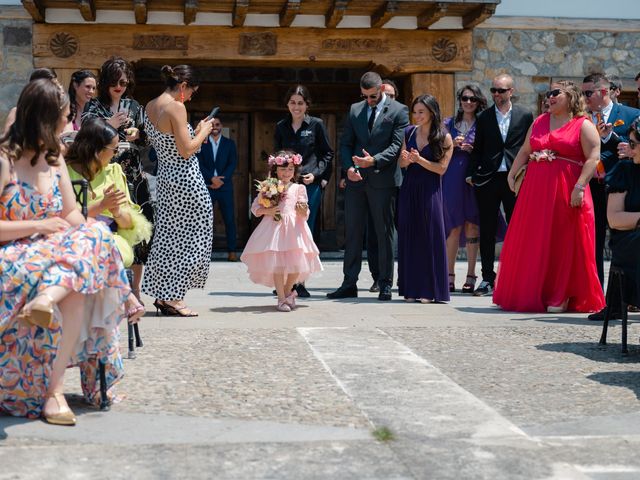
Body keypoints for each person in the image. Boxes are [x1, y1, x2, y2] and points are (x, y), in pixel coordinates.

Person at [0, 79, 138, 425]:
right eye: (63, 118)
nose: (67, 126)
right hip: (14, 250)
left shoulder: (55, 160)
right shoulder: (5, 160)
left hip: (56, 251)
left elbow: (72, 215)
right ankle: (52, 391)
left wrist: (93, 233)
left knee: (93, 233)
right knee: (77, 280)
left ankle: (53, 385)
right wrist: (38, 226)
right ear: (45, 119)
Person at [493, 81, 605, 313]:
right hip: (536, 191)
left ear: (571, 96)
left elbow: (594, 156)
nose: (550, 97)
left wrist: (580, 186)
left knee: (564, 240)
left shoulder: (582, 124)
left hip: (567, 188)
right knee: (535, 239)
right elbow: (525, 151)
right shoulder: (539, 121)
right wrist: (512, 175)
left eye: (556, 93)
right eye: (548, 93)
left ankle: (562, 294)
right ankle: (537, 291)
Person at [327, 71, 409, 301]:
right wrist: (349, 168)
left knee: (384, 233)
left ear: (381, 89)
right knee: (352, 232)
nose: (369, 100)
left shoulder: (399, 110)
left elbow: (395, 146)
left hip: (383, 181)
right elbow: (345, 144)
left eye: (372, 96)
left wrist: (374, 160)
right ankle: (349, 282)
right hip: (357, 181)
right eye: (365, 96)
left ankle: (385, 283)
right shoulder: (355, 110)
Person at [142, 64, 214, 317]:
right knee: (193, 234)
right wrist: (203, 131)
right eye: (192, 91)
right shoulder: (176, 106)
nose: (192, 96)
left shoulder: (149, 105)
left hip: (166, 178)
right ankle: (174, 297)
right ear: (183, 86)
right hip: (185, 178)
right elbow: (186, 149)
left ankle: (165, 294)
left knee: (169, 236)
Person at [83, 56, 154, 305]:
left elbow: (148, 139)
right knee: (108, 224)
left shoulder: (133, 105)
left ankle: (134, 291)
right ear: (106, 82)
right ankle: (107, 286)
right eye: (114, 81)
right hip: (103, 172)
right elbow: (85, 133)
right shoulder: (94, 106)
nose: (119, 86)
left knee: (137, 229)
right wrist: (108, 124)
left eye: (123, 81)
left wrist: (138, 134)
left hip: (132, 174)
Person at [66, 117, 152, 298]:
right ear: (96, 150)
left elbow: (130, 224)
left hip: (112, 237)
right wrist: (101, 205)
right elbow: (64, 217)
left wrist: (117, 212)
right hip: (72, 237)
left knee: (103, 251)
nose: (115, 154)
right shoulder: (64, 173)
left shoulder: (113, 171)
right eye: (113, 149)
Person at [467, 73, 533, 296]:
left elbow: (529, 146)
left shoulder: (525, 115)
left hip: (515, 178)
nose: (496, 94)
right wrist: (471, 175)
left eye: (501, 90)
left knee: (519, 227)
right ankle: (487, 278)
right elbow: (478, 148)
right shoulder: (484, 117)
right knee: (487, 229)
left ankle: (517, 275)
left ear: (511, 91)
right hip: (488, 178)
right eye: (494, 90)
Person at [580, 73, 640, 319]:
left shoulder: (628, 114)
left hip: (623, 185)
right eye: (582, 94)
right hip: (591, 188)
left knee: (621, 239)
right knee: (594, 242)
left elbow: (633, 144)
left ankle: (625, 300)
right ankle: (600, 299)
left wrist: (610, 138)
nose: (585, 99)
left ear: (604, 92)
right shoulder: (582, 118)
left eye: (588, 93)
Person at [241, 151, 322, 311]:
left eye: (290, 169)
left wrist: (302, 210)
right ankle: (281, 298)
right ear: (275, 170)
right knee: (277, 264)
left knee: (297, 264)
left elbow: (305, 211)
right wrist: (268, 211)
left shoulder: (299, 188)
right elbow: (255, 207)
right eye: (283, 169)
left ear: (295, 171)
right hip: (275, 227)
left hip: (295, 228)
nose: (286, 173)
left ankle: (287, 292)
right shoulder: (269, 186)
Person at [274, 85, 334, 298]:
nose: (296, 106)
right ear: (287, 104)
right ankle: (284, 281)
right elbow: (276, 157)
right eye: (292, 102)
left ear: (307, 105)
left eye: (300, 103)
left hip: (309, 186)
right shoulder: (281, 126)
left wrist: (317, 175)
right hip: (286, 187)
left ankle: (299, 282)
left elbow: (327, 154)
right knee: (284, 232)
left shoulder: (316, 125)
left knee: (303, 231)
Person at [398, 95, 453, 303]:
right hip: (409, 189)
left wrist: (419, 160)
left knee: (430, 237)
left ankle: (430, 290)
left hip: (430, 191)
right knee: (410, 237)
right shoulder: (408, 132)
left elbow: (441, 169)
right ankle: (411, 289)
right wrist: (405, 160)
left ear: (431, 112)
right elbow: (401, 165)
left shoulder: (444, 138)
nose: (417, 116)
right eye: (415, 112)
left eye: (421, 111)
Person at [443, 85, 487, 294]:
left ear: (479, 102)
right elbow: (436, 146)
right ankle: (448, 274)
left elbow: (490, 148)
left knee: (473, 225)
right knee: (453, 225)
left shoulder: (484, 123)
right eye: (464, 98)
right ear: (459, 99)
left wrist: (474, 148)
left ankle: (471, 274)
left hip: (474, 176)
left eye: (473, 99)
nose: (468, 102)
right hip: (452, 176)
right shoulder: (448, 123)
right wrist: (451, 144)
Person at [606, 118, 640, 309]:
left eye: (633, 144)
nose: (629, 147)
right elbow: (614, 219)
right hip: (628, 239)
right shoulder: (624, 170)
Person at [197, 115, 239, 262]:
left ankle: (232, 251)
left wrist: (221, 180)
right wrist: (211, 179)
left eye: (218, 124)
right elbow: (199, 163)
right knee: (204, 220)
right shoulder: (202, 143)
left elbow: (233, 163)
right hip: (207, 186)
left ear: (221, 126)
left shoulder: (229, 144)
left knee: (229, 219)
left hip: (225, 187)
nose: (215, 127)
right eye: (212, 124)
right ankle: (203, 254)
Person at [3, 68, 61, 135]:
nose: (56, 89)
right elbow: (7, 138)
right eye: (51, 86)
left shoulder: (59, 112)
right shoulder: (17, 112)